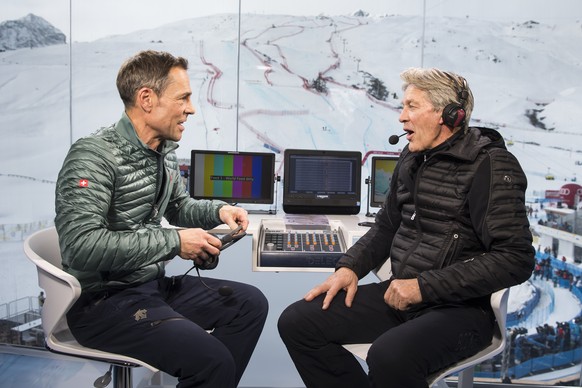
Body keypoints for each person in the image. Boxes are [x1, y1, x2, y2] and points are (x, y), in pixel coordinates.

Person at [278, 67, 535, 388]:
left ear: (449, 115)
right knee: (298, 322)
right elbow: (387, 226)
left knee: (390, 356)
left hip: (460, 310)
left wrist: (423, 287)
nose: (401, 117)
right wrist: (350, 268)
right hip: (402, 298)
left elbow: (515, 258)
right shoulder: (414, 157)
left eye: (412, 106)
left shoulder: (492, 165)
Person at [54, 50, 268, 387]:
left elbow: (179, 207)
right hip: (103, 303)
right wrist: (175, 242)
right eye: (183, 97)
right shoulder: (92, 156)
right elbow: (80, 247)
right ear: (147, 99)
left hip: (151, 287)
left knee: (250, 304)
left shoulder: (162, 152)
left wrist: (220, 211)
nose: (191, 108)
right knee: (213, 362)